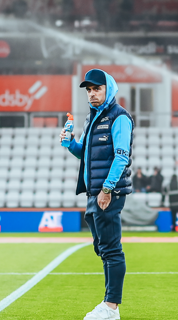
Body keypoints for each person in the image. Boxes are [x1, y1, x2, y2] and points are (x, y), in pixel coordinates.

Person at [60, 68, 133, 320]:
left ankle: (111, 306)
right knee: (101, 248)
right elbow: (87, 154)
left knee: (111, 249)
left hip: (107, 192)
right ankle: (110, 304)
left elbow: (121, 156)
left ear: (108, 89)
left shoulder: (119, 117)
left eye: (96, 89)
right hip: (94, 192)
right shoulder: (91, 119)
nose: (91, 94)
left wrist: (107, 189)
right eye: (89, 90)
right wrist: (71, 143)